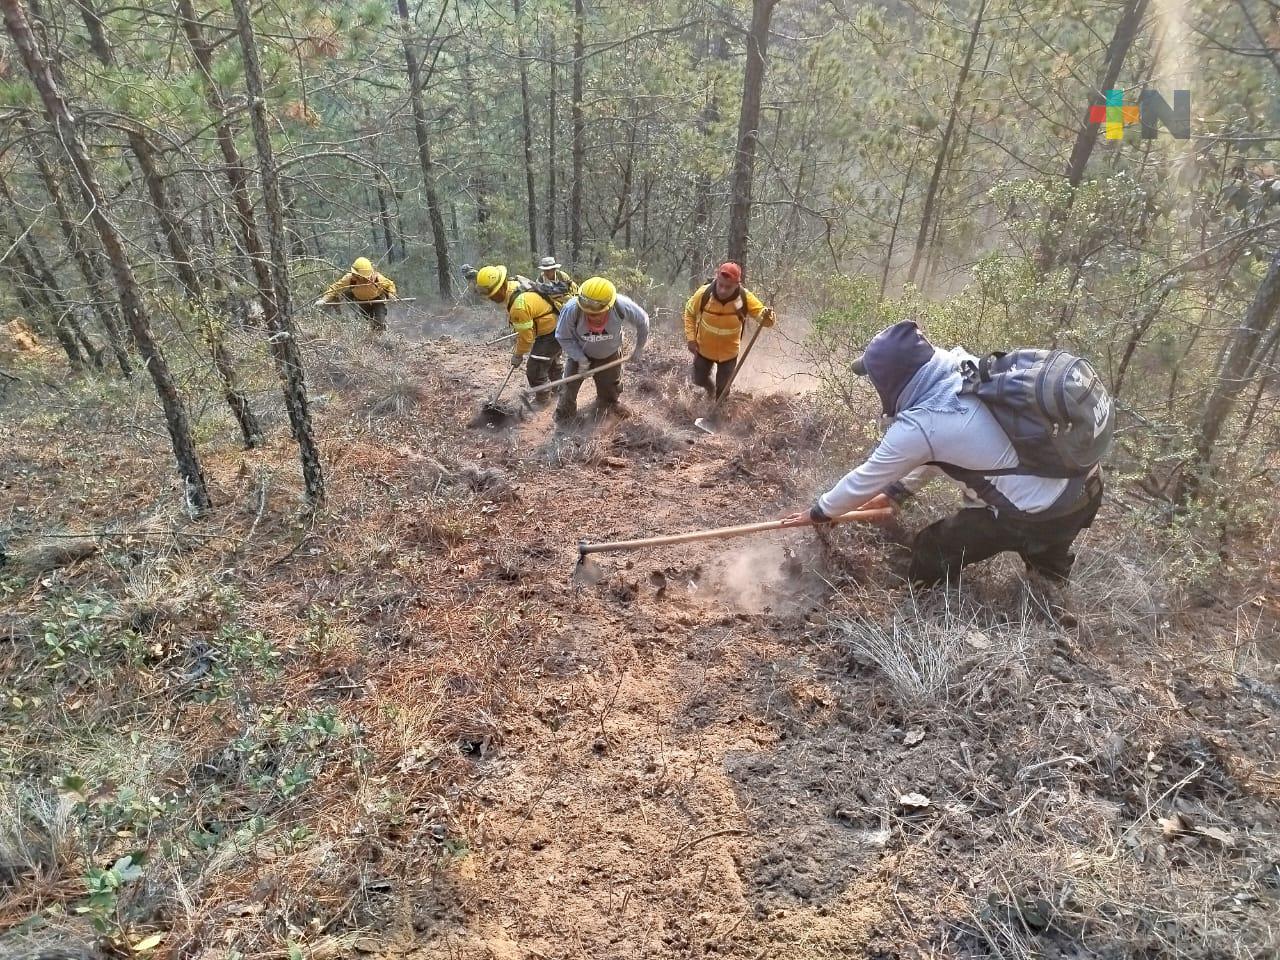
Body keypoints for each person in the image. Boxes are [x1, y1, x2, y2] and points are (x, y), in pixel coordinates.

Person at [784, 320, 1104, 588]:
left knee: (933, 548)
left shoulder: (923, 423)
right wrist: (896, 493)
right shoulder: (958, 368)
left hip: (1039, 510)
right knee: (1047, 566)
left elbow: (865, 478)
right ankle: (1052, 602)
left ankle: (924, 609)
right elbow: (942, 448)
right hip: (1083, 488)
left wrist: (819, 512)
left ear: (891, 379)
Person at [554, 276, 649, 423]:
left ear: (609, 306)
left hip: (609, 355)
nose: (592, 317)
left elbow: (643, 322)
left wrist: (638, 348)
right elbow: (563, 337)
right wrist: (581, 359)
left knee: (610, 392)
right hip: (579, 353)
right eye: (588, 313)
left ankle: (603, 413)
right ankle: (565, 421)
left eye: (597, 313)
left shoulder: (621, 306)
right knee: (567, 390)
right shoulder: (571, 309)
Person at [683, 261, 775, 402]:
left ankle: (718, 410)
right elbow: (689, 313)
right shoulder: (703, 294)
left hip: (729, 354)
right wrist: (691, 339)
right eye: (720, 285)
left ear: (737, 284)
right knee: (698, 379)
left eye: (728, 287)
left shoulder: (744, 298)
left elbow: (765, 320)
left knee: (723, 390)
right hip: (704, 350)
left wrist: (767, 316)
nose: (723, 290)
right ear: (716, 279)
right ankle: (710, 390)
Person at [472, 264, 561, 393]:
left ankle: (543, 399)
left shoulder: (518, 306)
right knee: (548, 361)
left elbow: (527, 338)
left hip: (551, 332)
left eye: (493, 294)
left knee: (535, 369)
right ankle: (559, 390)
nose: (491, 298)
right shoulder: (514, 286)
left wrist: (518, 355)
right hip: (555, 325)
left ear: (502, 286)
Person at [316, 257, 396, 333]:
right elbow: (336, 287)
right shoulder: (350, 278)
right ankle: (373, 332)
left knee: (379, 320)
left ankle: (381, 334)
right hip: (361, 301)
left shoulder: (377, 278)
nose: (356, 277)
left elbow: (390, 284)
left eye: (359, 276)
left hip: (377, 300)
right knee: (368, 319)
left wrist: (391, 294)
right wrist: (324, 299)